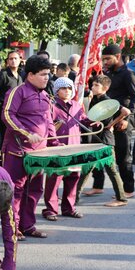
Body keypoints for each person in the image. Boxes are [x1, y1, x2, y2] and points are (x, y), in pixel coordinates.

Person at [1, 55, 59, 239]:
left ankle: (28, 226)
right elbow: (7, 116)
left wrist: (55, 143)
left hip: (40, 153)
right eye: (43, 74)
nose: (46, 78)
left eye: (48, 74)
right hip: (18, 151)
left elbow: (49, 122)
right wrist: (26, 133)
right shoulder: (17, 92)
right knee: (15, 191)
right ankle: (12, 227)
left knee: (34, 190)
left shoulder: (45, 96)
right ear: (31, 75)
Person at [42, 77, 99, 221]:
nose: (66, 91)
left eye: (69, 88)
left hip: (74, 147)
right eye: (63, 88)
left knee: (73, 178)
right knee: (54, 179)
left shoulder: (76, 105)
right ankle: (50, 209)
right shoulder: (51, 106)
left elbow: (84, 119)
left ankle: (69, 208)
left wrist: (94, 122)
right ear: (56, 90)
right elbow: (46, 125)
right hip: (57, 148)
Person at [78, 75, 130, 207]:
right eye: (93, 85)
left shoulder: (108, 100)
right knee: (87, 168)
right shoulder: (94, 98)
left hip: (105, 139)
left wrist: (111, 124)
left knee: (111, 170)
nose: (92, 87)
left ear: (105, 88)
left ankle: (121, 198)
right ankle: (74, 198)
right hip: (94, 138)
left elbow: (126, 111)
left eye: (96, 85)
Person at [101, 43, 135, 198]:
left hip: (123, 120)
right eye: (103, 60)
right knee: (108, 155)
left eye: (108, 59)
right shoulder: (107, 74)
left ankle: (129, 189)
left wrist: (127, 118)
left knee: (124, 157)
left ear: (117, 56)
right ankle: (105, 187)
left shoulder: (128, 74)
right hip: (108, 120)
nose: (105, 62)